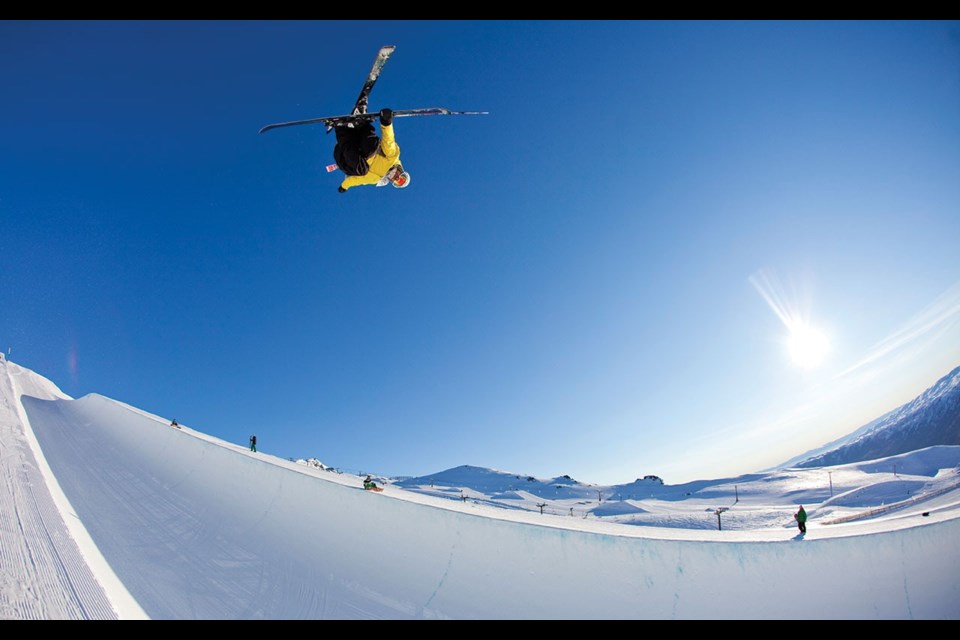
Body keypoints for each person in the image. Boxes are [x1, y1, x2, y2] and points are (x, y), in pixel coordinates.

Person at [334, 108, 410, 193]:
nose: (396, 178)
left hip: (343, 153)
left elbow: (356, 180)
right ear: (402, 171)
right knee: (371, 150)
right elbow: (388, 140)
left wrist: (344, 186)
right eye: (401, 178)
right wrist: (386, 122)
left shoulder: (376, 179)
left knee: (360, 170)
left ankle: (341, 128)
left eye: (397, 183)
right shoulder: (392, 157)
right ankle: (362, 123)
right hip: (362, 140)